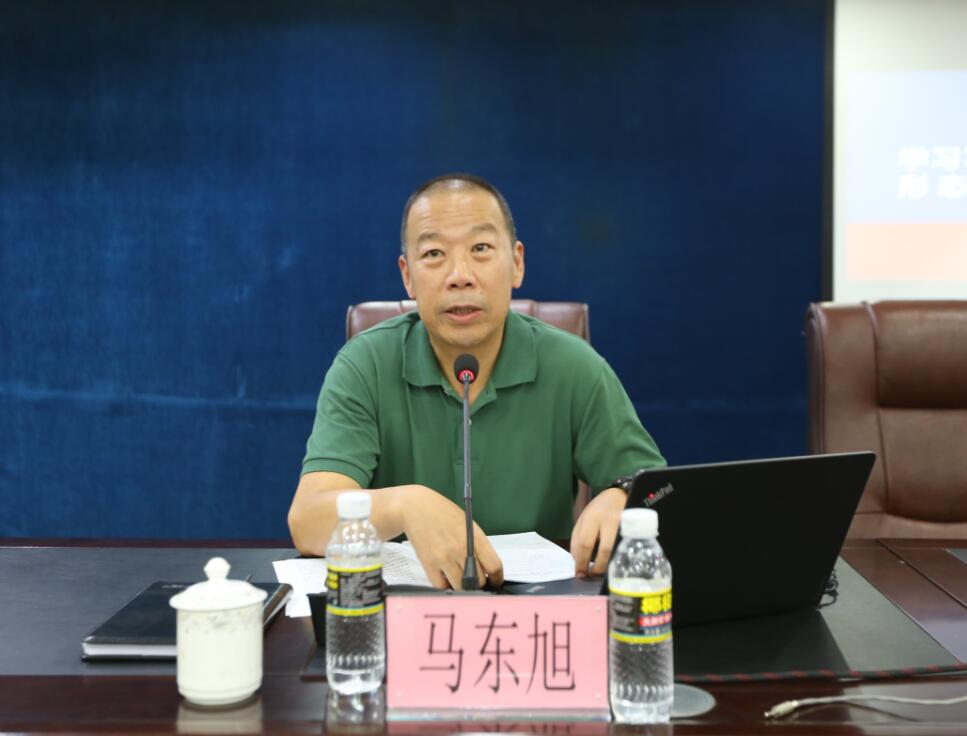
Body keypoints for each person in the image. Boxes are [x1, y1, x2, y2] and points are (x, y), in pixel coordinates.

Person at [288, 173, 664, 589]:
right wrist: (405, 504)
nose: (460, 275)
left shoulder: (575, 366)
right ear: (407, 276)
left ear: (517, 263)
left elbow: (659, 491)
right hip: (404, 609)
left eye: (481, 248)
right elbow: (307, 521)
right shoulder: (365, 365)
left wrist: (620, 497)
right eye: (434, 253)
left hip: (540, 608)